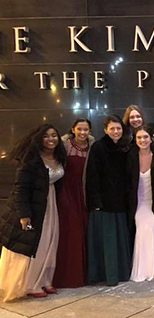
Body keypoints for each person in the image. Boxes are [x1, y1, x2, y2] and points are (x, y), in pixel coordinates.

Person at [0, 124, 65, 301]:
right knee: (34, 244)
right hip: (34, 209)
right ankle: (30, 284)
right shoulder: (31, 160)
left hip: (49, 205)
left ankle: (44, 279)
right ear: (38, 139)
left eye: (54, 135)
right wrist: (24, 215)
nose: (51, 139)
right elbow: (20, 189)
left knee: (50, 241)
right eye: (46, 136)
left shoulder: (58, 157)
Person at [86, 115, 132, 286]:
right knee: (107, 239)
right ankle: (107, 275)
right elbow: (93, 175)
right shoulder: (98, 147)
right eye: (112, 128)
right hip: (104, 203)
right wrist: (96, 201)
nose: (115, 131)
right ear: (105, 129)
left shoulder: (125, 147)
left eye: (118, 128)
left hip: (120, 201)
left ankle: (120, 273)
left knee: (119, 239)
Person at [54, 118, 94, 288]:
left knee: (82, 231)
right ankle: (65, 276)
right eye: (80, 129)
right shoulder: (64, 145)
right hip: (66, 192)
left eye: (86, 129)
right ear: (73, 129)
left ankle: (81, 274)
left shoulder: (92, 147)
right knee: (71, 231)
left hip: (83, 193)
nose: (83, 133)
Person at [127, 126, 154, 282]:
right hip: (137, 204)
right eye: (139, 138)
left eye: (145, 137)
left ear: (151, 138)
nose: (142, 140)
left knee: (152, 228)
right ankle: (140, 270)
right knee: (141, 230)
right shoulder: (131, 156)